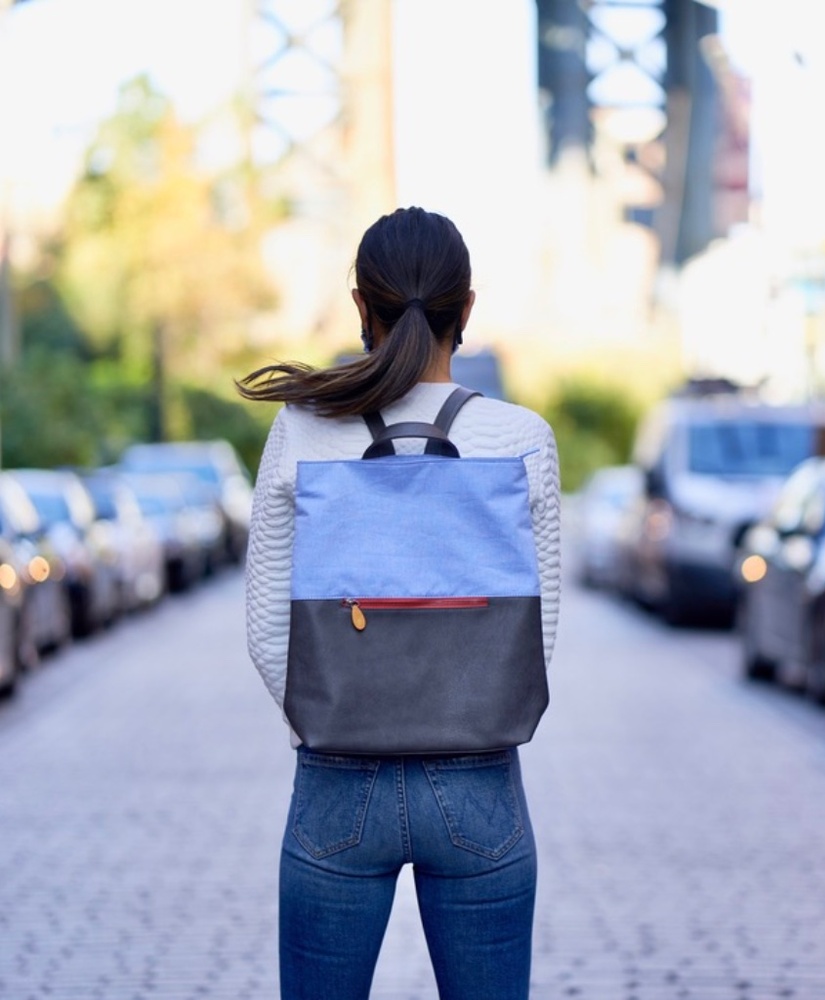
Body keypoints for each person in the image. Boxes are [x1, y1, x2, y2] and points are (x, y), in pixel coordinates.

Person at [237, 206, 562, 1000]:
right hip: (480, 784)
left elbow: (263, 627)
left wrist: (337, 715)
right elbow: (537, 636)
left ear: (361, 308)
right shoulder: (521, 439)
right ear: (468, 309)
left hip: (337, 784)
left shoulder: (303, 429)